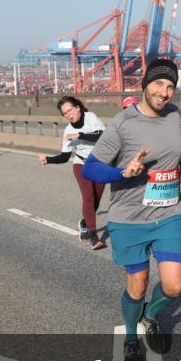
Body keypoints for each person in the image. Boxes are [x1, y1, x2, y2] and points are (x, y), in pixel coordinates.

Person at [83, 58, 181, 361]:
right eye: (158, 84)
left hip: (169, 213)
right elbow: (91, 168)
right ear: (145, 85)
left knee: (174, 285)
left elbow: (177, 150)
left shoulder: (174, 114)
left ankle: (151, 314)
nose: (164, 92)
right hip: (129, 218)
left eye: (170, 86)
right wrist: (122, 172)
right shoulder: (123, 123)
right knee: (138, 283)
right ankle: (131, 338)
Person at [38, 96, 108, 250]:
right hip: (81, 164)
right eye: (64, 113)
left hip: (100, 163)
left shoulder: (90, 117)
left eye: (70, 110)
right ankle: (93, 236)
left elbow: (102, 136)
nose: (68, 114)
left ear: (77, 108)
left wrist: (80, 135)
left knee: (96, 201)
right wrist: (48, 160)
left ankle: (84, 222)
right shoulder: (68, 131)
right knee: (88, 197)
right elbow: (65, 157)